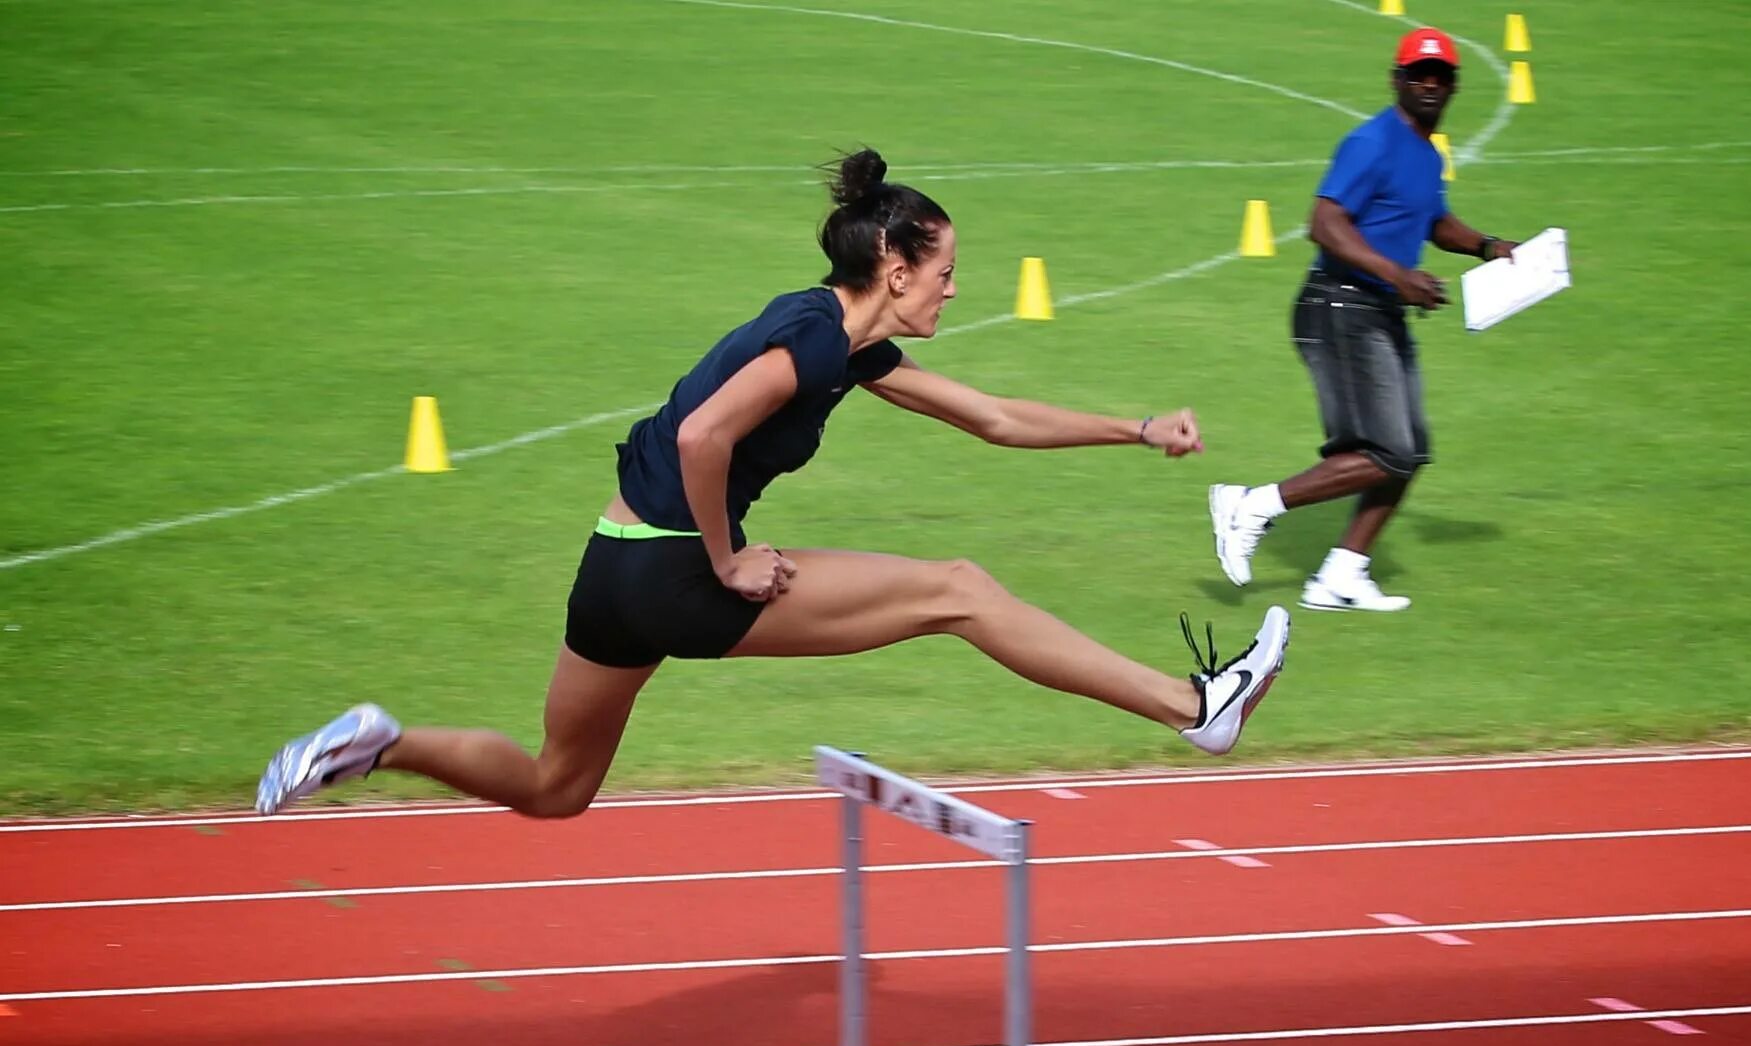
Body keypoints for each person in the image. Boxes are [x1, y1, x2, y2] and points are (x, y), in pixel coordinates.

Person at [255, 148, 1290, 819]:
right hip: (677, 567)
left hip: (609, 569)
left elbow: (992, 418)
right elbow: (705, 435)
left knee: (555, 785)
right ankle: (1191, 705)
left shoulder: (844, 343)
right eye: (943, 270)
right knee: (961, 588)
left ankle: (379, 745)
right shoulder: (809, 336)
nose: (953, 286)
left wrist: (1137, 428)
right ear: (893, 264)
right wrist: (726, 556)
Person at [1207, 27, 1518, 612]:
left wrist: (1488, 246)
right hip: (1339, 306)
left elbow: (1431, 220)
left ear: (1452, 86)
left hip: (1377, 310)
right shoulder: (1371, 142)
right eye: (1419, 74)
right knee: (1388, 452)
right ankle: (1250, 506)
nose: (1431, 83)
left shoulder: (1427, 154)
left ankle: (1341, 575)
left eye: (1442, 75)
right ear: (1397, 80)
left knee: (1409, 451)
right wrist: (1400, 276)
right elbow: (1324, 224)